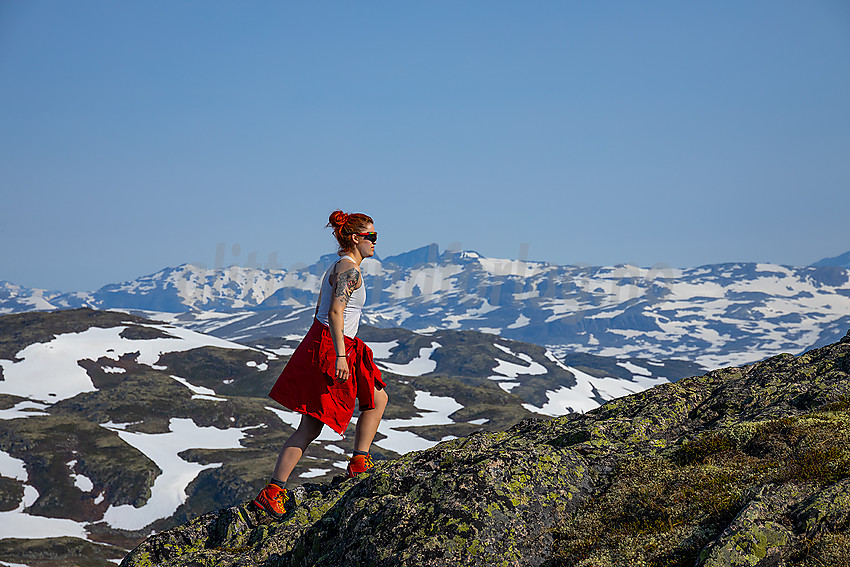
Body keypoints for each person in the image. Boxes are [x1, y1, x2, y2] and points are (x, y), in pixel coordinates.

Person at [252, 210, 388, 520]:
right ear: (355, 238)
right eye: (371, 237)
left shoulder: (338, 266)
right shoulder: (350, 271)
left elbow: (320, 309)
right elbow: (335, 312)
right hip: (335, 346)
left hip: (333, 342)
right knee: (312, 423)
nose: (375, 243)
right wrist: (340, 354)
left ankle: (357, 462)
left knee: (376, 397)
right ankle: (274, 491)